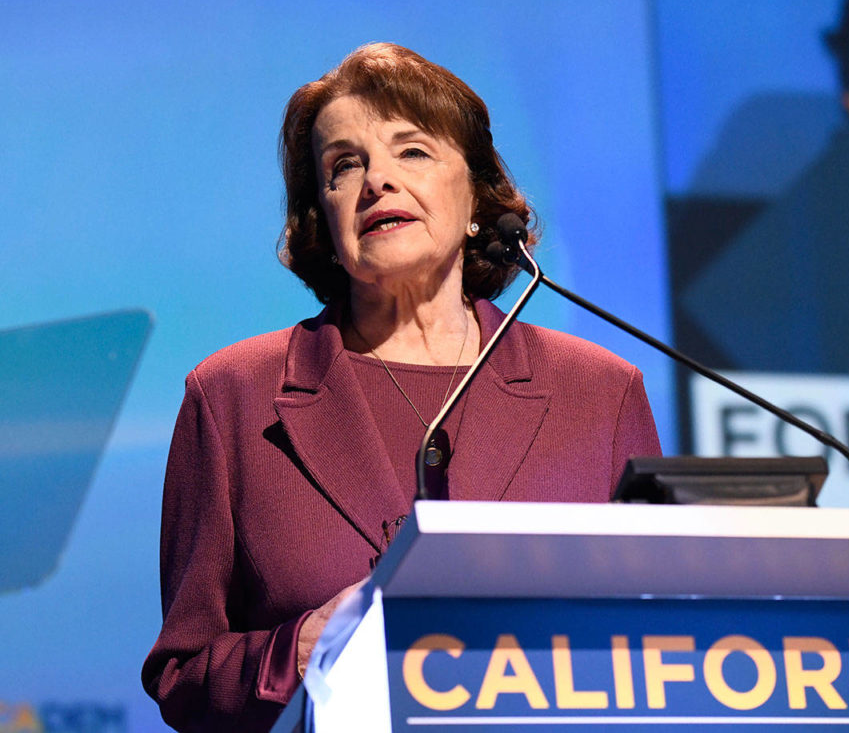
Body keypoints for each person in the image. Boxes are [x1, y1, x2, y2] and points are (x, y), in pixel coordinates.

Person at [141, 42, 661, 732]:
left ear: (477, 196)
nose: (376, 181)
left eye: (411, 151)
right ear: (322, 219)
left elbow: (658, 637)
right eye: (343, 165)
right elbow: (183, 676)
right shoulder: (233, 396)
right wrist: (295, 651)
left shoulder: (599, 393)